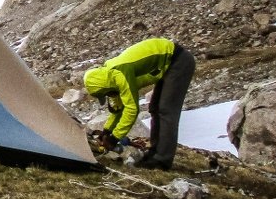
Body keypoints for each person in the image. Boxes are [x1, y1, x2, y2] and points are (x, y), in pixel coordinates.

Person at [83, 37, 196, 170]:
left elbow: (132, 109)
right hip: (166, 65)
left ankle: (162, 160)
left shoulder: (119, 73)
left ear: (104, 87)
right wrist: (107, 130)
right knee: (155, 108)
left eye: (106, 94)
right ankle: (155, 153)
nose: (109, 96)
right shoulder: (109, 77)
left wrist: (114, 138)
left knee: (166, 110)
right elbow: (118, 109)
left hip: (178, 61)